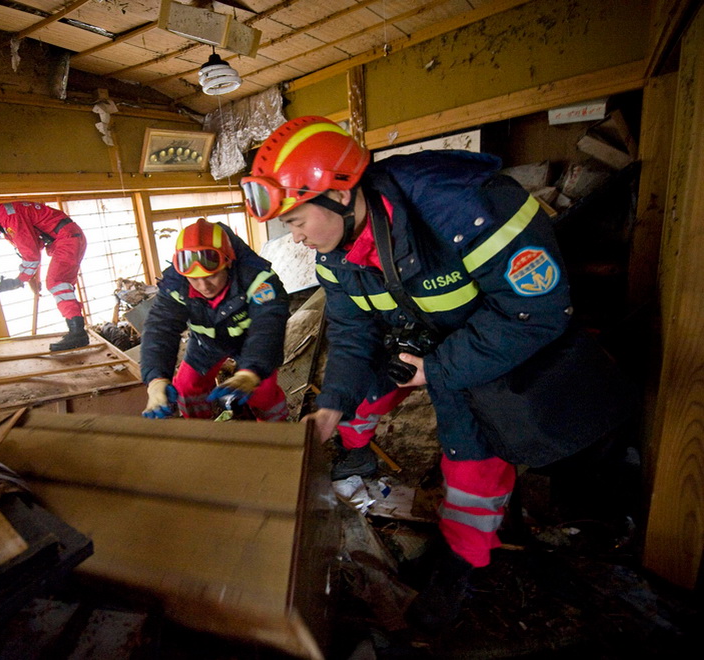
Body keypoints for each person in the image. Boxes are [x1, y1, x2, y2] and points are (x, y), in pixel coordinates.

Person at [241, 116, 583, 631]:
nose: (295, 239)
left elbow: (538, 311)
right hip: (423, 342)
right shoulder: (336, 253)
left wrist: (440, 369)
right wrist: (331, 403)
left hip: (492, 348)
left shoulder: (464, 207)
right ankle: (356, 460)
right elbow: (353, 335)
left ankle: (464, 571)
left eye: (296, 221)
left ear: (339, 196)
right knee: (355, 399)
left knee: (468, 469)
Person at [141, 218, 290, 422]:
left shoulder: (259, 280)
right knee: (187, 388)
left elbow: (268, 327)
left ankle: (278, 437)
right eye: (194, 278)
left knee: (262, 394)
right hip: (206, 342)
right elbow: (160, 329)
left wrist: (251, 372)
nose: (203, 285)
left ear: (228, 262)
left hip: (250, 343)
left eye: (211, 275)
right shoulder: (175, 286)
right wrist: (155, 379)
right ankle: (202, 435)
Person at [0, 201, 88, 351]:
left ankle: (78, 333)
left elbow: (32, 257)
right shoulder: (3, 218)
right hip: (67, 237)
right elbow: (35, 248)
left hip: (67, 238)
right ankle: (76, 330)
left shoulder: (10, 220)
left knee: (57, 282)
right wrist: (31, 280)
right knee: (61, 285)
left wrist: (18, 281)